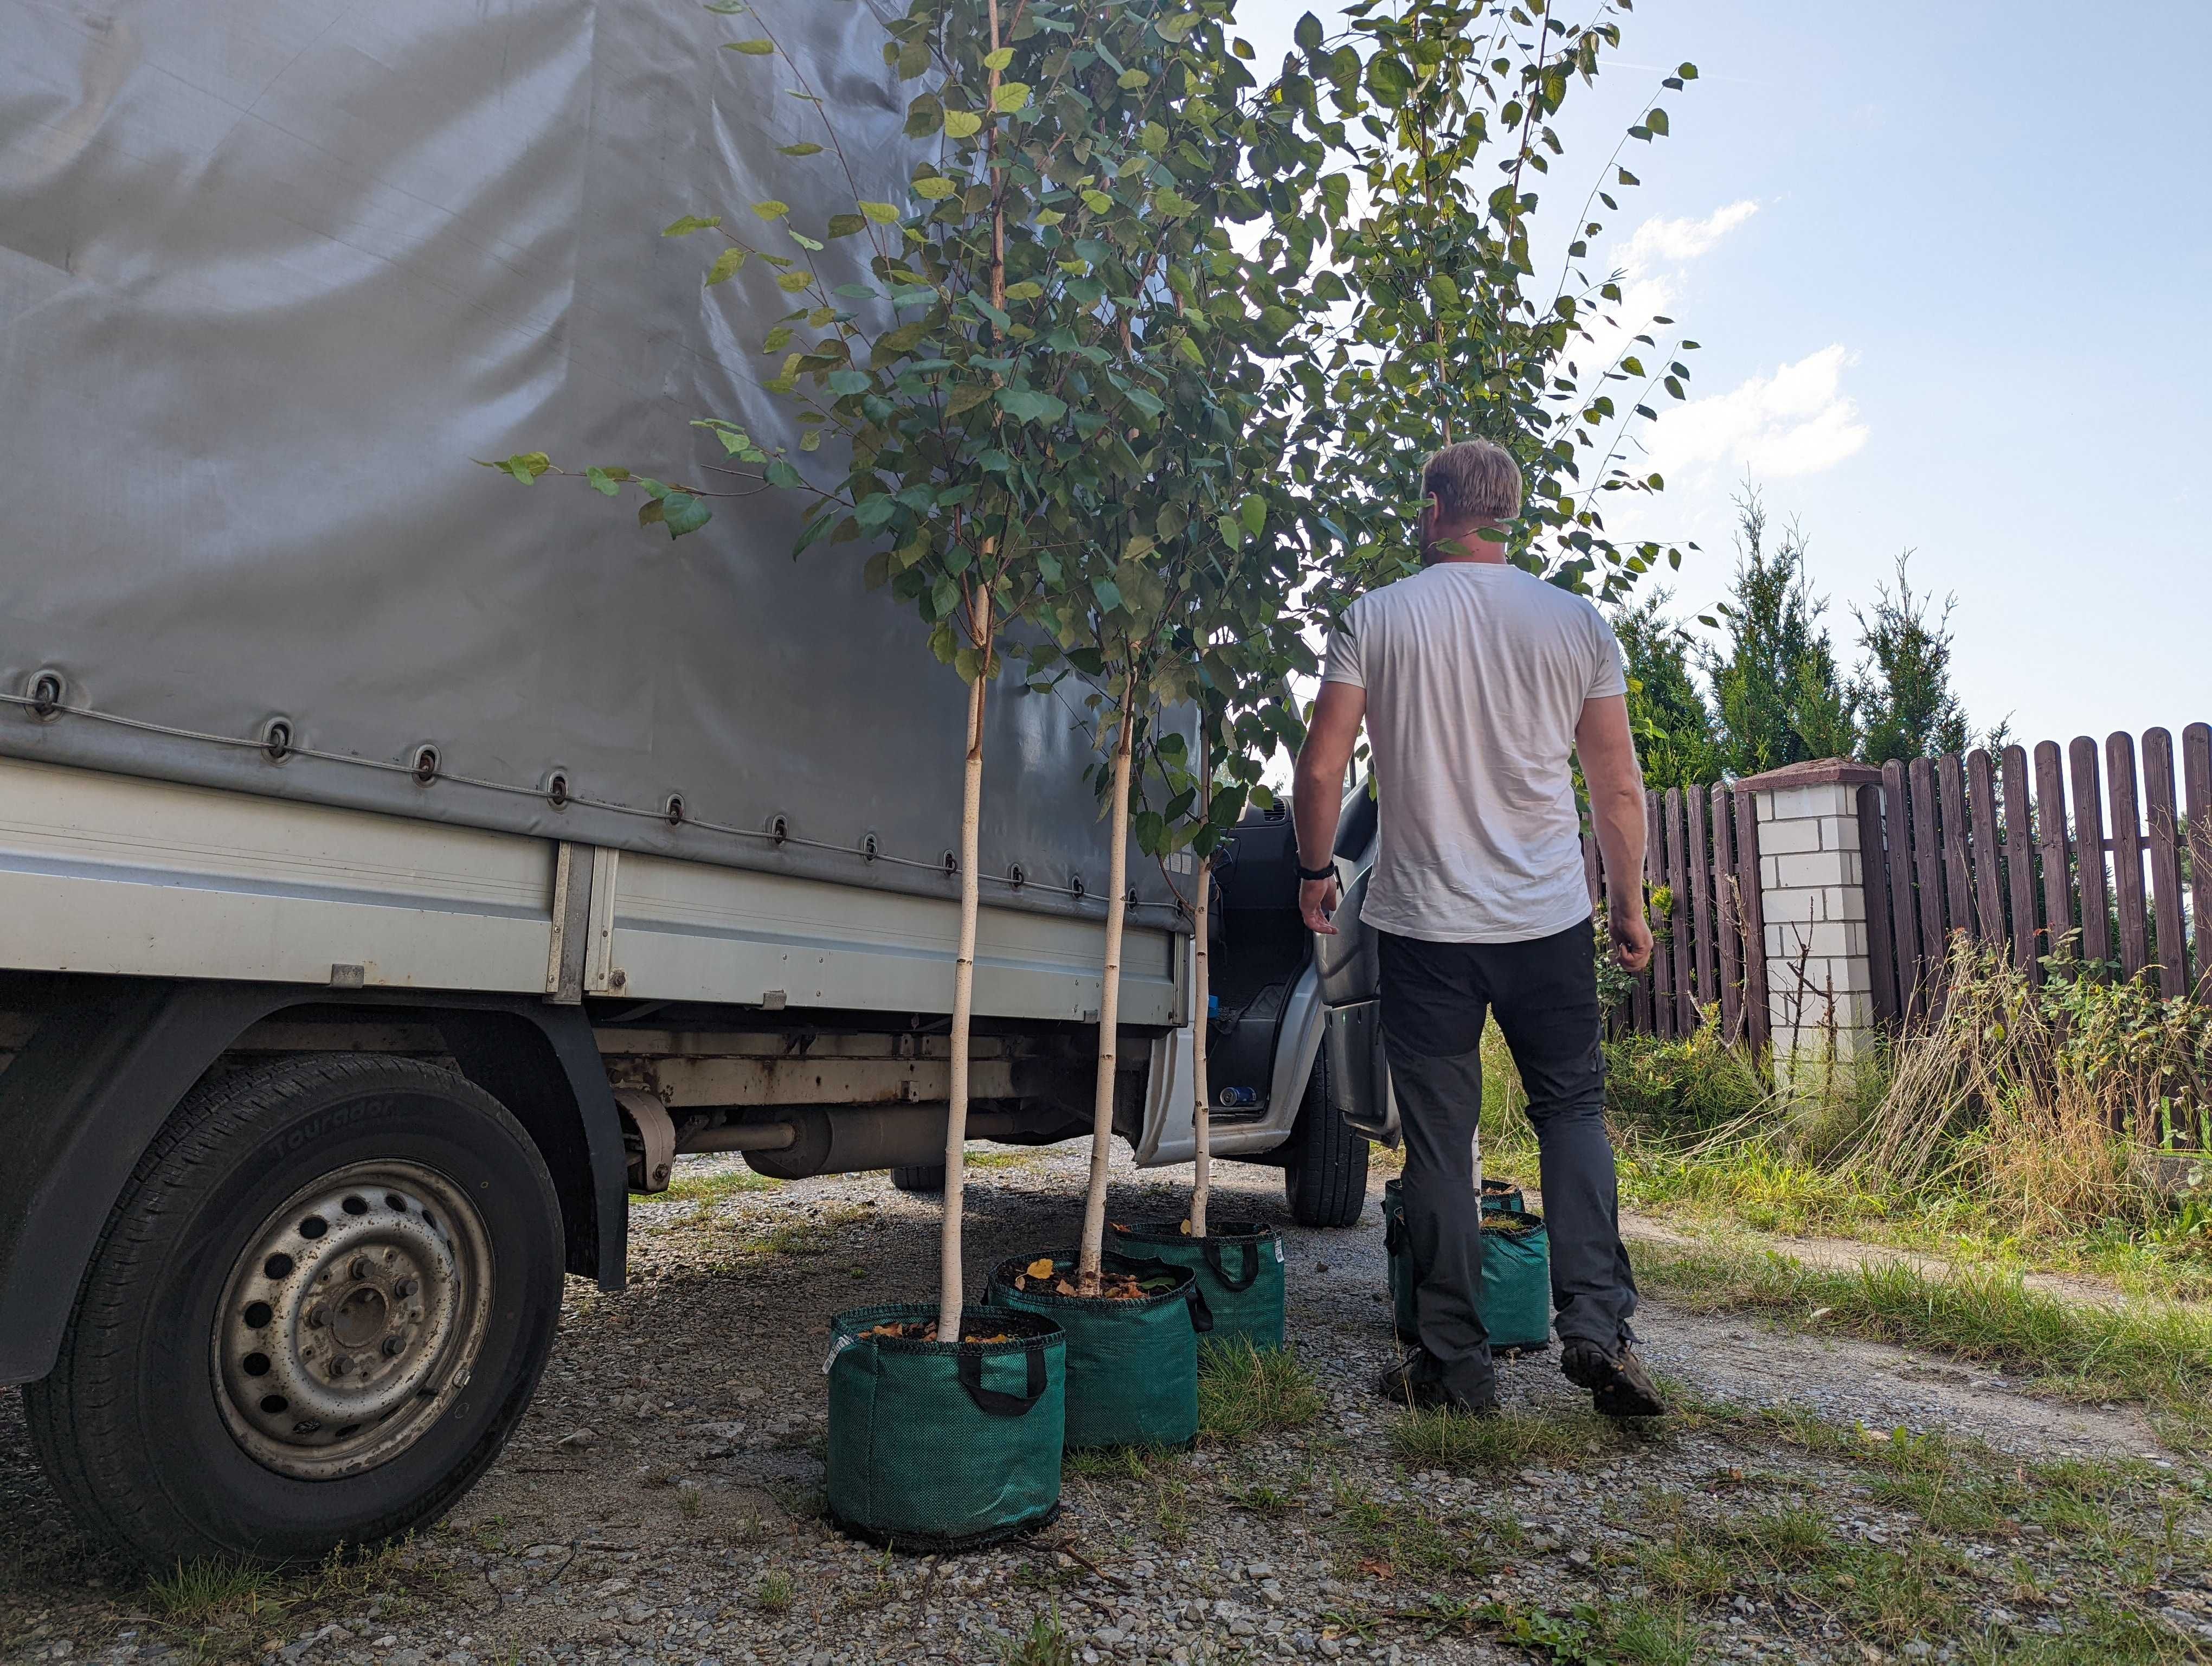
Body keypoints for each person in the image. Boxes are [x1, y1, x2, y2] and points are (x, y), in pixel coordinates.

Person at [1290, 437, 1663, 1419]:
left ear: (1433, 511)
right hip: (1546, 920)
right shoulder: (1575, 622)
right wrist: (1627, 904)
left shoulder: (1375, 618)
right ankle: (1597, 1329)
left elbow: (1322, 769)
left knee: (1441, 1145)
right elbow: (1617, 786)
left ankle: (1455, 1368)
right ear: (1510, 514)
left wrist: (1315, 870)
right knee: (1572, 1113)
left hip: (1426, 925)